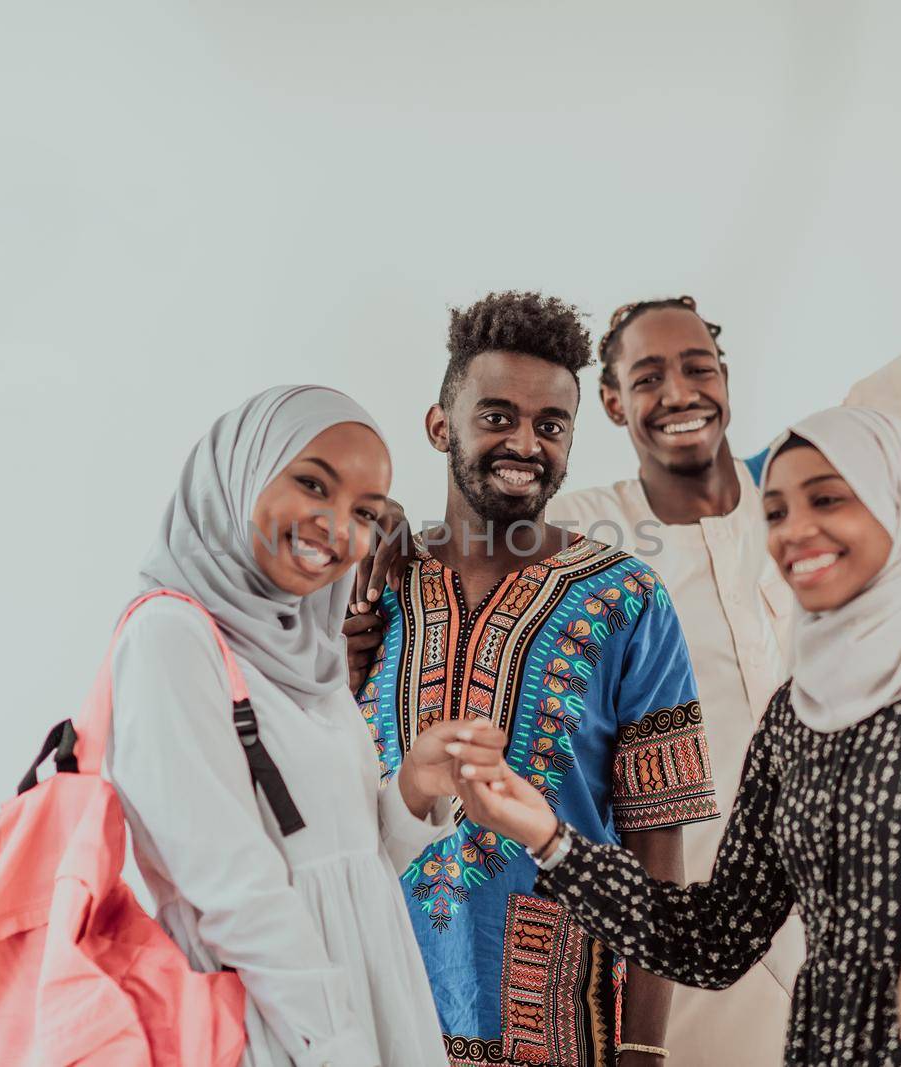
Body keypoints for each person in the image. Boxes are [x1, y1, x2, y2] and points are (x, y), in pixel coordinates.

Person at [508, 4, 901, 1061]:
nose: (678, 391)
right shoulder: (586, 530)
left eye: (698, 367)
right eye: (647, 376)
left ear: (727, 379)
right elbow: (458, 555)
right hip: (703, 935)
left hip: (880, 906)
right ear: (609, 404)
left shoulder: (817, 493)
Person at [454, 405, 901, 1066]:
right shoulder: (796, 716)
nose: (794, 531)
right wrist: (550, 835)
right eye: (774, 511)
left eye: (828, 499)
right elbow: (716, 938)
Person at [350, 293, 718, 1066]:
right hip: (374, 1011)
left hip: (553, 1019)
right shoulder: (370, 583)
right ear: (439, 425)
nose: (524, 442)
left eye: (550, 425)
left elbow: (660, 852)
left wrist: (645, 1048)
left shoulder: (628, 600)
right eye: (496, 417)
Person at [107, 384, 511, 1067]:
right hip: (280, 1020)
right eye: (312, 484)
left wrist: (414, 785)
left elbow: (353, 859)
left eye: (364, 512)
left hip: (369, 991)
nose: (335, 525)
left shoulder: (305, 650)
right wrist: (336, 1046)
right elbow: (232, 889)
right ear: (241, 471)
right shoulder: (171, 636)